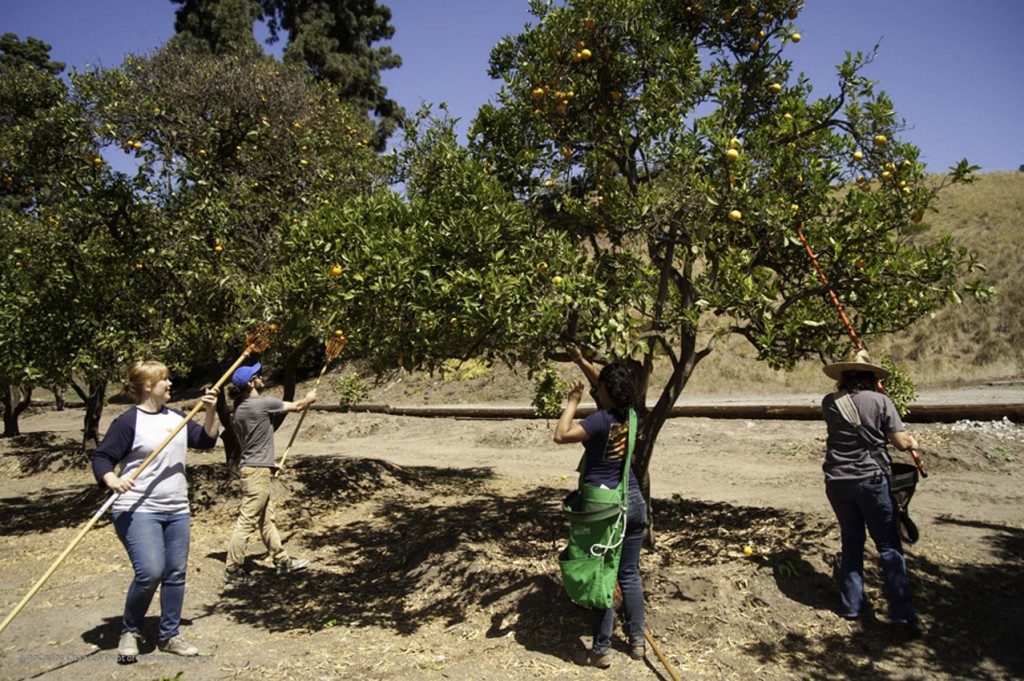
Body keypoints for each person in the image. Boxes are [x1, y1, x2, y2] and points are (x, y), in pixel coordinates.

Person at [92, 361, 220, 659]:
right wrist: (112, 479)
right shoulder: (129, 421)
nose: (170, 384)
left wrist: (211, 410)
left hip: (176, 508)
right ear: (148, 386)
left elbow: (206, 440)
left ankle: (169, 635)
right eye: (164, 380)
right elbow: (103, 457)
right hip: (137, 508)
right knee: (150, 571)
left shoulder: (178, 417)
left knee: (175, 573)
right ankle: (130, 630)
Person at [821, 348, 923, 637]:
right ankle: (902, 613)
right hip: (872, 480)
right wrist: (912, 441)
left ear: (842, 377)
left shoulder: (829, 402)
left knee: (851, 541)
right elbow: (901, 441)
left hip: (837, 481)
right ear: (870, 377)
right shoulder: (880, 401)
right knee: (889, 546)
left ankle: (851, 605)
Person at [555, 344, 647, 668]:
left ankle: (602, 649)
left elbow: (561, 434)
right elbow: (605, 381)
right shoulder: (630, 415)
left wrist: (572, 402)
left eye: (601, 386)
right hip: (634, 503)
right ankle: (637, 642)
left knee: (600, 576)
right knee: (629, 574)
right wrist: (582, 360)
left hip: (605, 509)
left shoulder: (598, 421)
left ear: (605, 391)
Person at [223, 362, 316, 584]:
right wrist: (310, 398)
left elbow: (248, 445)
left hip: (252, 467)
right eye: (257, 375)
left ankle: (282, 560)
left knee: (266, 520)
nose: (261, 376)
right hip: (256, 472)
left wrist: (269, 463)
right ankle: (232, 570)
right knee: (247, 520)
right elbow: (296, 406)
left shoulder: (239, 410)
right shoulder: (261, 403)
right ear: (250, 383)